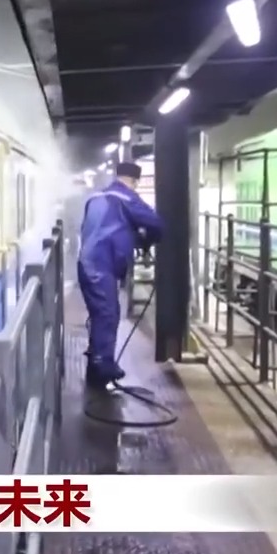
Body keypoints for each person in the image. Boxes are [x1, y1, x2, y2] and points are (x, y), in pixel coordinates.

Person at [78, 161, 162, 388]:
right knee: (108, 314)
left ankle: (96, 364)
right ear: (134, 181)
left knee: (99, 314)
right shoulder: (126, 198)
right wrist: (145, 239)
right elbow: (157, 224)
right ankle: (103, 365)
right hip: (101, 266)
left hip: (86, 264)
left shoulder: (96, 197)